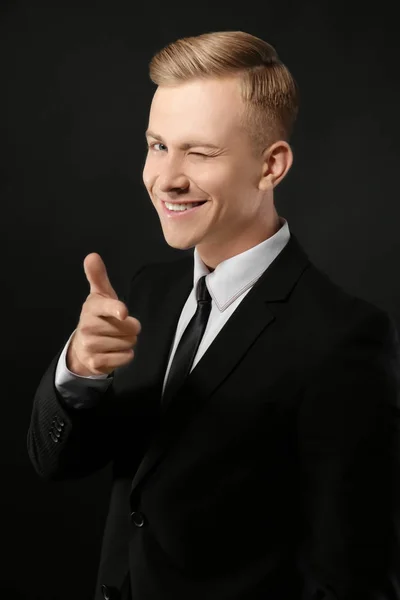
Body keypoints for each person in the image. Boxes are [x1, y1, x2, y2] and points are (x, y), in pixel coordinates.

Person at [27, 30, 400, 600]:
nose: (166, 178)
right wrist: (78, 370)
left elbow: (353, 580)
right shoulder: (150, 293)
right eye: (157, 146)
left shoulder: (345, 340)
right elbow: (56, 464)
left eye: (199, 152)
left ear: (271, 165)